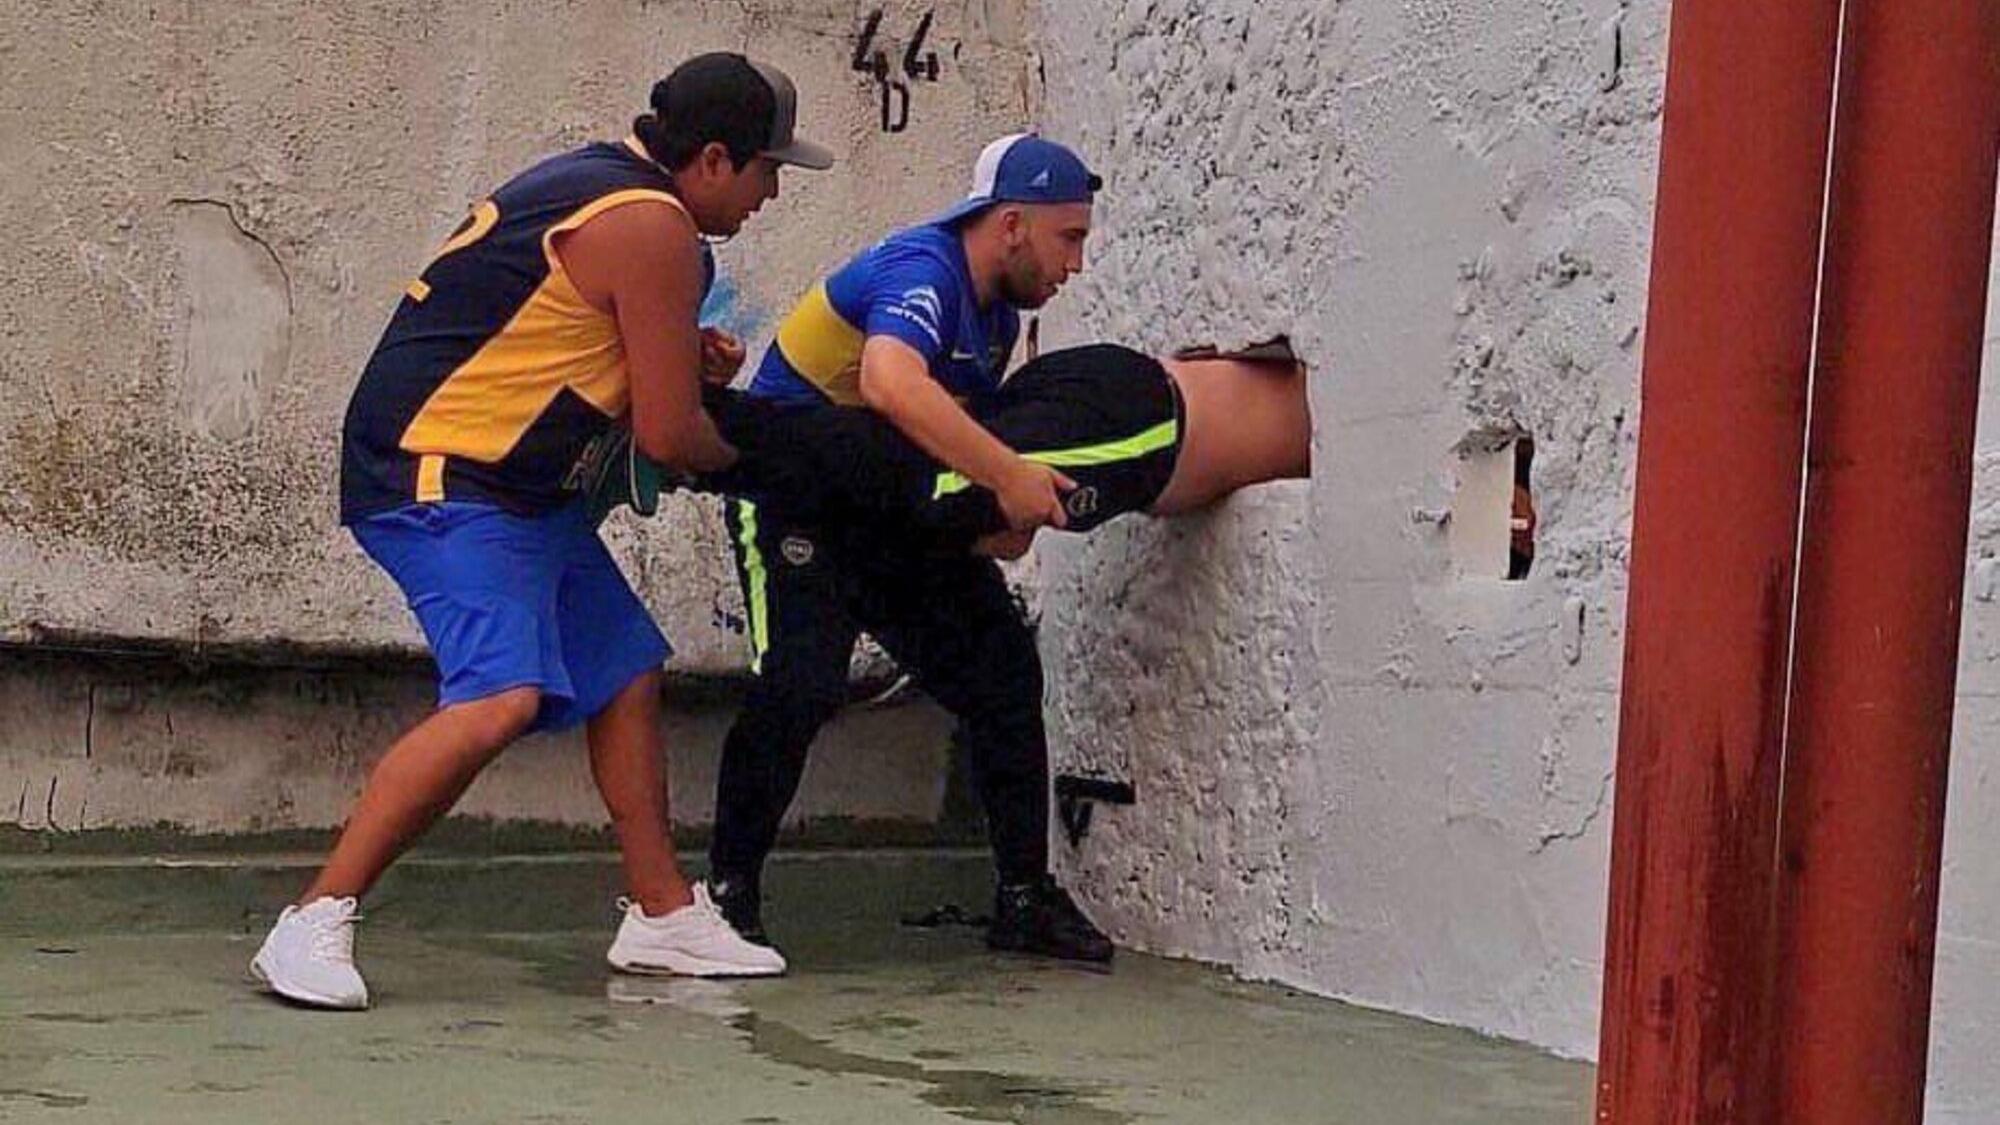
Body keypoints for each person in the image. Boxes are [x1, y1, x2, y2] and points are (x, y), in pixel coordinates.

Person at [249, 53, 833, 1011]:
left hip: (509, 483)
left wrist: (685, 357)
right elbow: (669, 434)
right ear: (716, 159)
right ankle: (314, 915)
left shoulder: (606, 186)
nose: (772, 193)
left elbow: (545, 325)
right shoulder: (654, 228)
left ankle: (660, 912)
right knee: (501, 697)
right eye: (769, 169)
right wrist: (778, 463)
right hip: (444, 474)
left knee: (622, 666)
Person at [704, 133, 1125, 965]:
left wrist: (1002, 520)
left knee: (1003, 665)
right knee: (799, 681)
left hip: (887, 518)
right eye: (1069, 237)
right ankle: (725, 898)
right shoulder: (922, 270)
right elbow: (890, 385)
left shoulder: (999, 317)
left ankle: (1021, 896)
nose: (1078, 262)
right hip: (795, 503)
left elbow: (936, 448)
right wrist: (1008, 476)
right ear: (1011, 224)